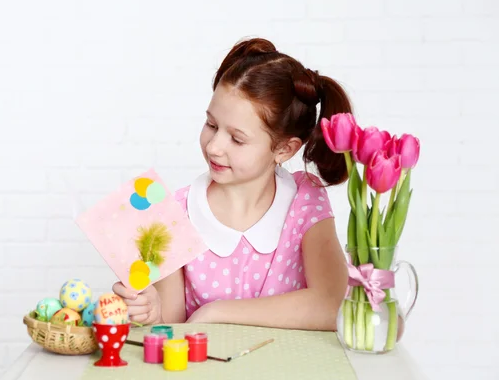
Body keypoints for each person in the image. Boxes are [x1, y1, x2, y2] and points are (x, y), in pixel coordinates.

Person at [113, 37, 350, 331]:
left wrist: (216, 312)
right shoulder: (174, 212)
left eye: (237, 139)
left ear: (284, 150)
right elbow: (170, 327)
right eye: (211, 125)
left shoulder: (305, 200)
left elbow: (333, 304)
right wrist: (152, 313)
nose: (214, 147)